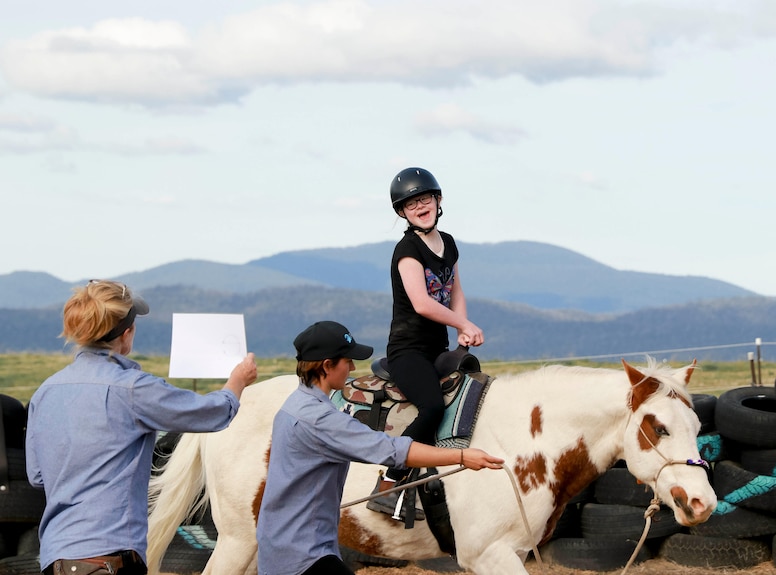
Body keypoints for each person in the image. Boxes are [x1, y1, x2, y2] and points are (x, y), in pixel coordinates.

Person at [26, 279, 258, 575]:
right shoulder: (132, 389)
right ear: (127, 332)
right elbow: (212, 413)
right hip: (110, 560)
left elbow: (36, 475)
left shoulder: (45, 392)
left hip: (55, 559)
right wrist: (237, 381)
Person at [256, 320, 503, 575]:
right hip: (302, 556)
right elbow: (393, 451)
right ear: (327, 365)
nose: (352, 367)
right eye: (347, 361)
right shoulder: (319, 419)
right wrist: (461, 456)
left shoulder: (295, 404)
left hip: (291, 547)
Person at [367, 166, 484, 517]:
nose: (420, 206)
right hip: (408, 350)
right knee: (432, 406)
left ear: (438, 199)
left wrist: (461, 331)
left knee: (474, 389)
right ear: (402, 212)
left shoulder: (447, 243)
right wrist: (462, 322)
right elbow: (421, 302)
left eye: (425, 198)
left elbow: (455, 291)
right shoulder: (407, 250)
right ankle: (390, 478)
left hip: (437, 347)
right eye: (411, 203)